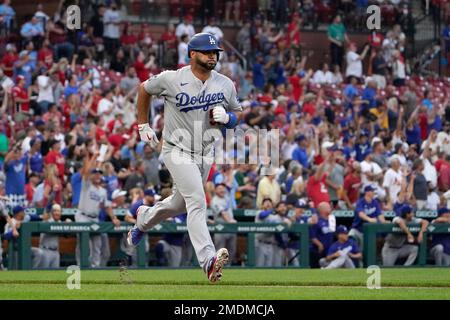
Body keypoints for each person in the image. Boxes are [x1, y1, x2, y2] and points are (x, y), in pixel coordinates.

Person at [127, 33, 242, 282]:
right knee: (198, 202)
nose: (213, 56)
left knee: (179, 204)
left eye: (215, 53)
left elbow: (237, 113)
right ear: (192, 54)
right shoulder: (172, 78)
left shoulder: (225, 84)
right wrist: (143, 124)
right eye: (207, 52)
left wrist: (229, 118)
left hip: (205, 153)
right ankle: (209, 261)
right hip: (177, 150)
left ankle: (143, 220)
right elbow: (144, 89)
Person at [75, 151, 120, 268]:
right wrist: (94, 157)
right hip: (83, 216)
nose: (97, 175)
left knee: (97, 244)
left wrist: (114, 218)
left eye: (99, 173)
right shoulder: (87, 185)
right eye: (95, 173)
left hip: (94, 218)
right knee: (84, 244)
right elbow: (86, 172)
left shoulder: (103, 191)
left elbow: (107, 206)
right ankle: (81, 265)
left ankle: (96, 267)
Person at [210, 183, 237, 265]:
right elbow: (223, 213)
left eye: (223, 188)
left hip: (230, 228)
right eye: (219, 188)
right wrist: (230, 221)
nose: (222, 190)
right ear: (215, 190)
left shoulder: (226, 198)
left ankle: (228, 267)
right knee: (220, 250)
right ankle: (218, 268)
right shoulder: (214, 200)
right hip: (220, 228)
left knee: (231, 250)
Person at [309, 202, 336, 268]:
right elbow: (312, 236)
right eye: (328, 207)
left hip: (329, 250)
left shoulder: (331, 220)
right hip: (317, 251)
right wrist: (319, 244)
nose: (331, 208)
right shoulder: (317, 221)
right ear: (322, 210)